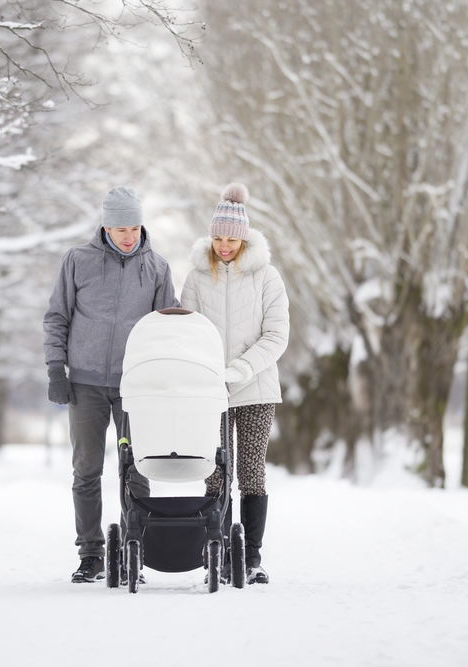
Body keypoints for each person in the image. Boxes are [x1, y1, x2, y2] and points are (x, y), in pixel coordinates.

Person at [43, 186, 179, 583]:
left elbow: (165, 331)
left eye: (134, 227)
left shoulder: (157, 268)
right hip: (84, 385)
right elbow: (56, 317)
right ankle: (91, 555)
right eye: (120, 227)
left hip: (135, 388)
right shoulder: (78, 261)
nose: (128, 235)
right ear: (105, 225)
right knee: (86, 469)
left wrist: (162, 381)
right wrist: (56, 369)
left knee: (138, 468)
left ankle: (135, 548)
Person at [181, 183, 289, 585]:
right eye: (218, 238)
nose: (224, 246)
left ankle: (252, 557)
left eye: (232, 238)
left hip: (257, 389)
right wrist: (206, 372)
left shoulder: (267, 277)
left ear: (245, 238)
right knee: (214, 474)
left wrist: (244, 367)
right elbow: (187, 332)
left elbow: (277, 334)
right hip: (211, 393)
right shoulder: (195, 277)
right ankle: (219, 550)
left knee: (250, 472)